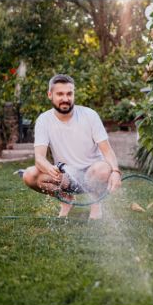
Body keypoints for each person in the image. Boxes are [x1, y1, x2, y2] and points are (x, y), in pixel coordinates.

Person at [22, 74, 122, 219]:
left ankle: (95, 204)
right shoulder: (44, 120)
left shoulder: (89, 115)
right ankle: (65, 200)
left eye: (69, 93)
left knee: (102, 169)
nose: (65, 98)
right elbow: (39, 158)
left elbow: (107, 150)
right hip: (66, 177)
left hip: (92, 174)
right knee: (29, 175)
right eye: (60, 94)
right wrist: (50, 169)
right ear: (50, 95)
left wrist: (116, 171)